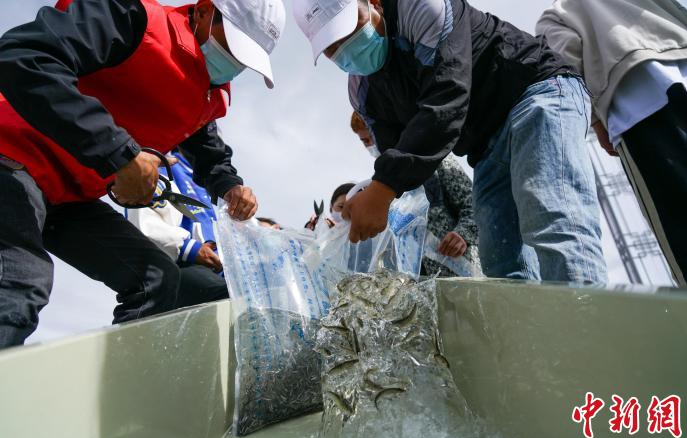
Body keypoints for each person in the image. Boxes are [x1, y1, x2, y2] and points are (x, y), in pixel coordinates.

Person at [0, 0, 285, 348]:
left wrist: (229, 185)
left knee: (154, 278)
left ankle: (124, 379)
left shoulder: (204, 93)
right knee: (19, 284)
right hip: (11, 155)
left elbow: (206, 148)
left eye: (246, 61)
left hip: (68, 194)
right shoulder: (132, 19)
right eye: (234, 48)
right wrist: (119, 153)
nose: (235, 64)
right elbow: (24, 56)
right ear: (204, 12)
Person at [292, 0, 607, 284]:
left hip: (534, 92)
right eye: (332, 47)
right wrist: (372, 196)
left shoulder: (420, 7)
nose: (346, 47)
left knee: (552, 218)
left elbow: (446, 100)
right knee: (501, 260)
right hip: (486, 143)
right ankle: (532, 330)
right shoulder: (363, 92)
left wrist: (384, 188)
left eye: (349, 30)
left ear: (374, 3)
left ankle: (587, 323)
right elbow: (397, 152)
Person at [536, 0, 687, 286]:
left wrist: (597, 123)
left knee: (686, 227)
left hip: (639, 105)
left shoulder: (557, 15)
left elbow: (565, 70)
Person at [351, 111, 480, 277]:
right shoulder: (379, 188)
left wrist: (463, 234)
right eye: (365, 141)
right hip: (419, 281)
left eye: (373, 136)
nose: (372, 144)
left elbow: (472, 202)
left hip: (460, 272)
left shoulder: (433, 160)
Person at [126, 150, 229, 309]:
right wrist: (190, 249)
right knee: (233, 297)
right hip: (174, 266)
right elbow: (144, 224)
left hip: (216, 269)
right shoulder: (155, 162)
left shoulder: (204, 174)